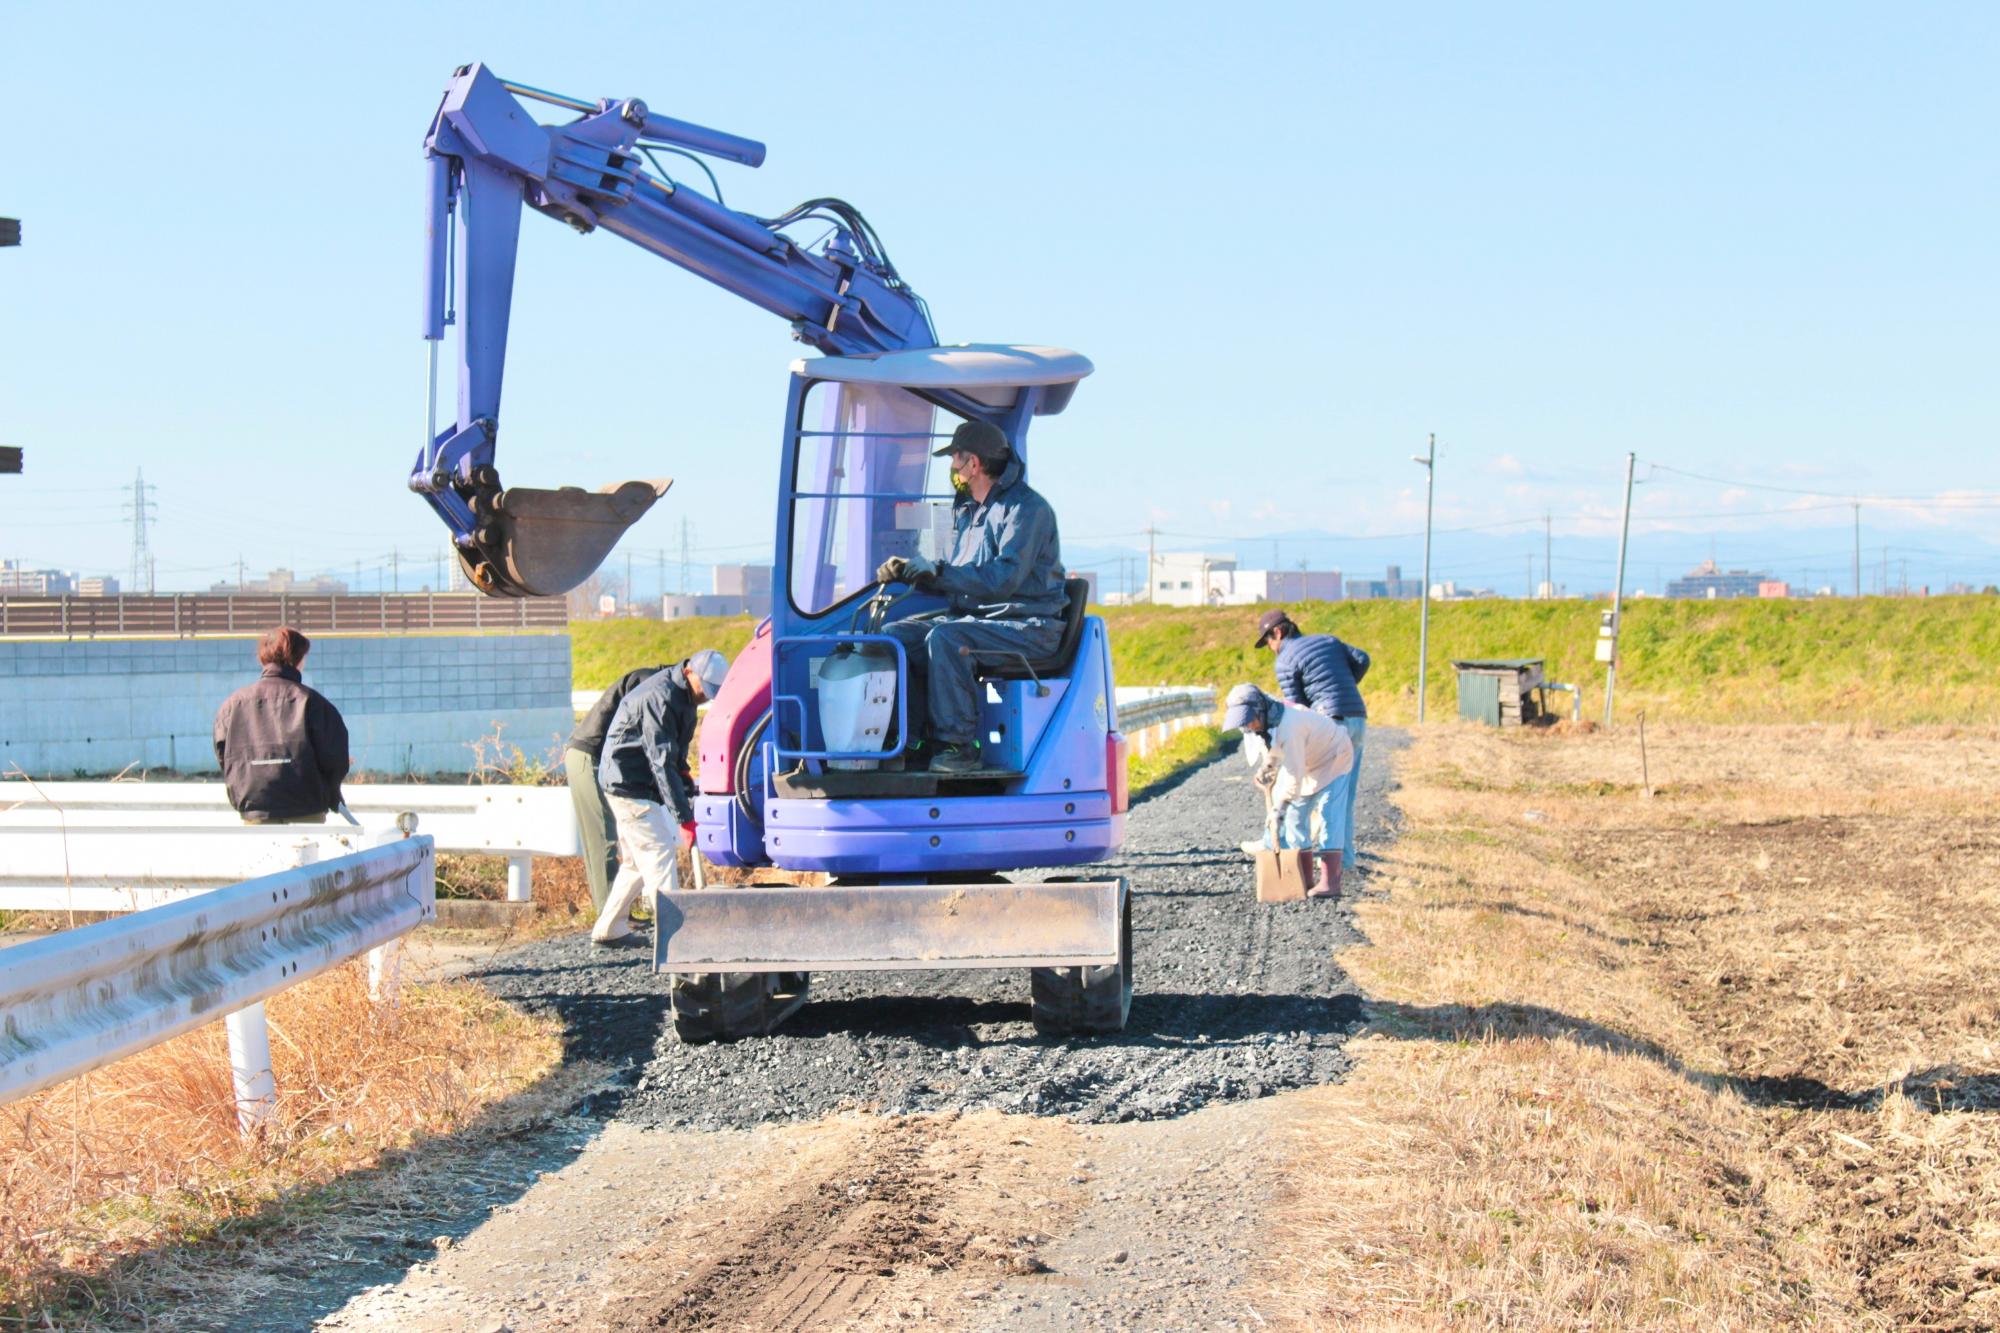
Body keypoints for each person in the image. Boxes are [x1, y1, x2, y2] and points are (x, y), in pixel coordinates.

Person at [872, 418, 1068, 774]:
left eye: (955, 459)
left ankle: (959, 748)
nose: (952, 467)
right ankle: (913, 742)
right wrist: (912, 572)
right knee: (894, 638)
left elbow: (1001, 580)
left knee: (948, 638)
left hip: (1027, 625)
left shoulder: (1027, 511)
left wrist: (939, 573)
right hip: (981, 620)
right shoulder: (971, 512)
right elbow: (960, 577)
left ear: (973, 463)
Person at [591, 648, 730, 943]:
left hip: (631, 779)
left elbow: (674, 757)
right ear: (690, 671)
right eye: (704, 688)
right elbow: (661, 761)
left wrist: (686, 780)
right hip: (628, 782)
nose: (705, 696)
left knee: (635, 862)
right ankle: (675, 935)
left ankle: (609, 929)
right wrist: (684, 818)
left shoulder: (686, 697)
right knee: (658, 851)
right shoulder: (661, 697)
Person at [1255, 610, 1370, 880]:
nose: (1270, 648)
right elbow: (1363, 659)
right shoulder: (1328, 640)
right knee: (1344, 794)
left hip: (1329, 723)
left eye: (1268, 641)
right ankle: (1345, 859)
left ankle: (1281, 847)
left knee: (1304, 791)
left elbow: (1296, 708)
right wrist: (1344, 686)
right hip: (1357, 716)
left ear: (1278, 633)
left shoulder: (1285, 660)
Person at [1222, 682, 1353, 898]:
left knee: (1329, 814)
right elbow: (1274, 747)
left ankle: (1330, 883)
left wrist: (1278, 809)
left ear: (1261, 709)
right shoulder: (1267, 721)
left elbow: (1294, 774)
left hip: (1334, 756)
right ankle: (1304, 881)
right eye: (1245, 722)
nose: (1249, 726)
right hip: (1308, 761)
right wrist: (1267, 767)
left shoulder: (1291, 724)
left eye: (1250, 719)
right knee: (1294, 819)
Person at [213, 625, 351, 825]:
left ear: (263, 659)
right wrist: (330, 789)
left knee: (263, 847)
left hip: (255, 809)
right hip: (306, 808)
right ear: (298, 659)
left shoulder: (232, 705)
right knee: (306, 847)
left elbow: (224, 756)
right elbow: (335, 758)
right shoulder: (313, 702)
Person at [565, 663, 670, 915]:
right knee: (603, 839)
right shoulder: (650, 684)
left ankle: (616, 916)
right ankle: (610, 916)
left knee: (620, 841)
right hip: (589, 756)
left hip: (603, 761)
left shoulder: (654, 682)